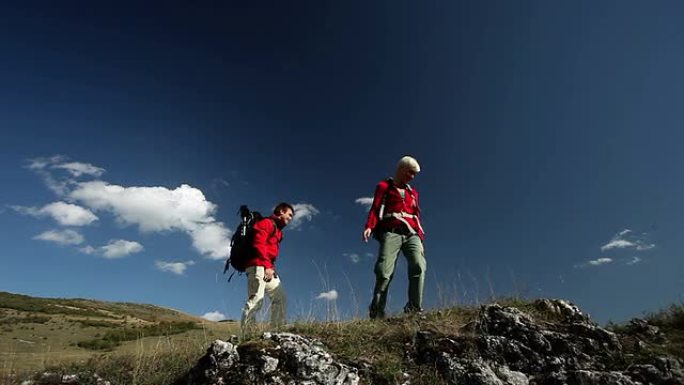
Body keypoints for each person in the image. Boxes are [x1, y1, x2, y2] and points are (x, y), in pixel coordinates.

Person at [363, 156, 426, 319]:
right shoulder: (384, 186)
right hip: (391, 231)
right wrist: (369, 226)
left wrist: (420, 237)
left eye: (414, 174)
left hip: (412, 234)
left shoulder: (413, 193)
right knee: (384, 271)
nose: (412, 177)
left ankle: (414, 309)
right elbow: (375, 208)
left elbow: (416, 215)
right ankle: (377, 313)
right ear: (401, 169)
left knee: (418, 265)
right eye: (410, 173)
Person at [241, 202, 295, 331]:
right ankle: (247, 334)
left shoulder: (277, 231)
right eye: (290, 214)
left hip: (267, 267)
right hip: (257, 266)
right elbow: (258, 243)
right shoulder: (266, 223)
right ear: (281, 211)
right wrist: (267, 265)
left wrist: (270, 267)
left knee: (280, 298)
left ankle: (276, 330)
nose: (291, 218)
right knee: (256, 299)